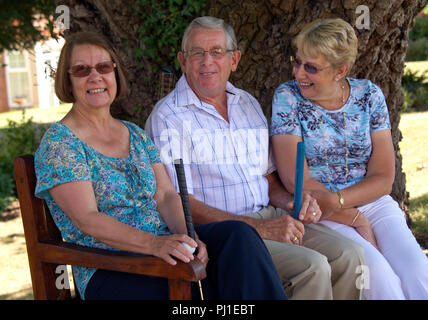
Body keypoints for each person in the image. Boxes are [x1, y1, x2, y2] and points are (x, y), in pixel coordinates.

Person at [33, 31, 287, 300]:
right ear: (67, 80)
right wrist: (153, 244)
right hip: (111, 266)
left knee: (238, 237)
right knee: (203, 290)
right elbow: (87, 219)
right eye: (82, 70)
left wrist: (189, 236)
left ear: (115, 73)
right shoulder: (60, 144)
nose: (95, 77)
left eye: (104, 67)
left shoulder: (134, 134)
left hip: (164, 250)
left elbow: (165, 196)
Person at [145, 16, 366, 300]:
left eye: (217, 52)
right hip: (223, 233)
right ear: (182, 61)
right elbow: (178, 201)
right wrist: (259, 228)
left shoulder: (247, 104)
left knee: (350, 255)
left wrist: (292, 203)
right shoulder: (167, 118)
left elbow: (268, 180)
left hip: (272, 216)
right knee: (311, 267)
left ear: (234, 59)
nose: (207, 61)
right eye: (197, 53)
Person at [270, 18, 428, 300]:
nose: (299, 74)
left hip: (372, 203)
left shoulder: (369, 96)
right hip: (321, 212)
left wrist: (343, 201)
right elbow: (298, 181)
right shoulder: (287, 98)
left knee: (418, 273)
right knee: (380, 280)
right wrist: (352, 216)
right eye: (297, 62)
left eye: (311, 67)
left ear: (340, 71)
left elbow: (383, 177)